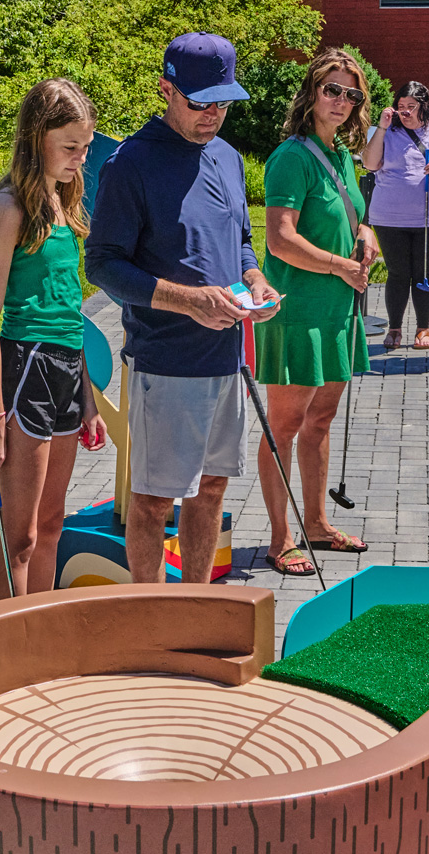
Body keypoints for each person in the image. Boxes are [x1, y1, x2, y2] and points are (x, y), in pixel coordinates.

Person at [86, 32, 281, 584]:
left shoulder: (227, 158)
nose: (213, 115)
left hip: (227, 359)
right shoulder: (131, 164)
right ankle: (147, 617)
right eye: (200, 102)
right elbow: (101, 264)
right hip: (166, 363)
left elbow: (240, 240)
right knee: (152, 503)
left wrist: (255, 279)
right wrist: (187, 301)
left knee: (213, 489)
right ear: (166, 90)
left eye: (223, 102)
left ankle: (192, 607)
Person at [0, 78, 106, 599]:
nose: (79, 158)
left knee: (52, 526)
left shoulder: (62, 202)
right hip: (25, 367)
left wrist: (89, 397)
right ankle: (3, 651)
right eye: (70, 147)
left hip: (68, 370)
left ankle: (41, 641)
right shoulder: (9, 208)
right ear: (36, 139)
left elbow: (72, 313)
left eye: (85, 147)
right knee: (19, 536)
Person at [253, 48, 381, 577]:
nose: (342, 101)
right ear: (312, 93)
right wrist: (337, 265)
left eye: (352, 94)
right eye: (332, 90)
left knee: (321, 420)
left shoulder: (344, 155)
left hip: (336, 309)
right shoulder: (292, 156)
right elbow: (279, 239)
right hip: (298, 309)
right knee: (283, 425)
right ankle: (281, 538)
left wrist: (366, 233)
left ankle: (319, 523)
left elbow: (351, 214)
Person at [362, 81, 429, 351]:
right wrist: (383, 127)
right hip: (390, 217)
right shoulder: (384, 132)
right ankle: (395, 328)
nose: (405, 113)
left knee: (425, 272)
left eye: (411, 107)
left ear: (425, 107)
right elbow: (370, 164)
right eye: (400, 107)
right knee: (397, 272)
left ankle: (423, 328)